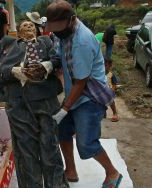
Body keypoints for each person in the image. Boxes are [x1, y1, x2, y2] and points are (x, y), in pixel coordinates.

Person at [46, 1, 122, 187]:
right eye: (53, 29)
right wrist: (48, 64)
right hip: (75, 92)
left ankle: (113, 173)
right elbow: (59, 55)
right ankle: (71, 170)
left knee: (86, 143)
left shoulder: (82, 41)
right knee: (62, 130)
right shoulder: (64, 33)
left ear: (72, 20)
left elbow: (82, 82)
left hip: (89, 96)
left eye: (59, 29)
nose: (57, 33)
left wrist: (65, 107)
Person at [0, 20, 68, 188]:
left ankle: (56, 184)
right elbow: (0, 71)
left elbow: (58, 58)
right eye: (25, 25)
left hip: (46, 98)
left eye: (32, 25)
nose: (29, 27)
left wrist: (46, 66)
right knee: (26, 148)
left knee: (50, 144)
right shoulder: (10, 46)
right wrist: (16, 71)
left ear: (37, 30)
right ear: (18, 33)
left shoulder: (46, 42)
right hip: (19, 100)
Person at [104, 58, 119, 122]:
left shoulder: (111, 74)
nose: (104, 67)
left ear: (110, 66)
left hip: (109, 92)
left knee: (111, 102)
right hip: (101, 92)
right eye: (102, 65)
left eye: (106, 65)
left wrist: (112, 90)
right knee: (102, 106)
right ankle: (103, 116)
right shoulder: (99, 74)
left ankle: (115, 113)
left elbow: (114, 84)